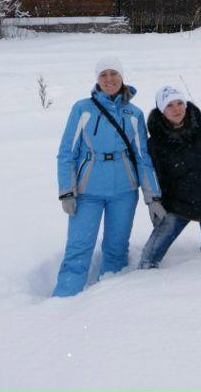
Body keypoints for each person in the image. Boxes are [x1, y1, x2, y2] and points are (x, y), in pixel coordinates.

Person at [52, 56, 165, 297]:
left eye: (114, 74)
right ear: (97, 80)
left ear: (122, 77)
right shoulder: (82, 109)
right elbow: (66, 153)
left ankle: (110, 304)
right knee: (78, 248)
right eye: (103, 75)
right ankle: (63, 298)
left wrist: (152, 197)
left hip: (124, 192)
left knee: (116, 249)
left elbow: (142, 157)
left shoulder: (134, 113)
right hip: (87, 192)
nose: (109, 79)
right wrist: (67, 191)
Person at [138, 86, 201, 269]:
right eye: (170, 105)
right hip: (177, 206)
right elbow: (157, 177)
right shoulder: (155, 141)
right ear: (162, 110)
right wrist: (156, 204)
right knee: (148, 261)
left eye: (180, 103)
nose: (177, 109)